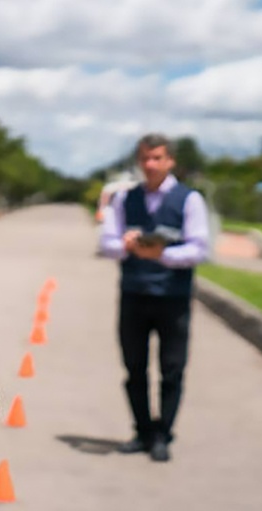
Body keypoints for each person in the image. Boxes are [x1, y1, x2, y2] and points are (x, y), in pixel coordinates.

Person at [98, 133, 210, 462]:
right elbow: (107, 243)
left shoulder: (189, 200)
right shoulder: (124, 199)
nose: (150, 164)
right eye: (145, 158)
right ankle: (142, 430)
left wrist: (162, 254)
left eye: (157, 158)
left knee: (171, 369)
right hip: (134, 293)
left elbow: (199, 247)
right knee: (134, 367)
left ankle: (163, 434)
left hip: (172, 296)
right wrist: (128, 245)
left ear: (170, 161)